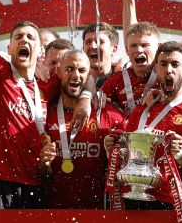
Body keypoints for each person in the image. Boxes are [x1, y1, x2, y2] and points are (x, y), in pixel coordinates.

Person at [0, 0, 91, 209]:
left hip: (35, 182)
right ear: (10, 48)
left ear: (41, 50)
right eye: (18, 37)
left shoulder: (46, 86)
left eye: (30, 37)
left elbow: (84, 72)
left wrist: (86, 97)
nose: (24, 40)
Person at [105, 41, 182, 209]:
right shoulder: (142, 109)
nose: (168, 70)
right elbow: (125, 160)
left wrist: (180, 153)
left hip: (168, 205)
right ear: (156, 68)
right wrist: (111, 150)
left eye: (175, 64)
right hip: (130, 198)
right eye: (163, 64)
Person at [40, 50, 125, 208]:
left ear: (89, 76)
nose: (75, 75)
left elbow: (125, 165)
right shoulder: (45, 114)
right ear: (58, 71)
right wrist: (43, 165)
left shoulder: (107, 113)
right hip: (51, 212)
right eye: (69, 69)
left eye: (81, 70)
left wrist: (113, 151)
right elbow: (39, 173)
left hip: (97, 214)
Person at [100, 22, 161, 115]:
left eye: (145, 45)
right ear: (126, 50)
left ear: (158, 47)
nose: (139, 50)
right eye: (133, 45)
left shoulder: (165, 76)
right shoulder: (116, 80)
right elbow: (97, 101)